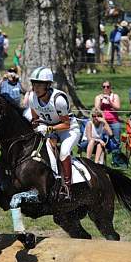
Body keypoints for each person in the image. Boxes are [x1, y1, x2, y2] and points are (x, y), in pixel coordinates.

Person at [28, 66, 81, 201]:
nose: (36, 87)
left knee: (63, 151)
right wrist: (36, 125)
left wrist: (49, 129)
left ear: (48, 85)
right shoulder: (32, 98)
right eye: (34, 83)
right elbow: (35, 119)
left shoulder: (58, 99)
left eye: (39, 84)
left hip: (69, 130)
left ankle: (67, 188)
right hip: (50, 129)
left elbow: (66, 124)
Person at [94, 80, 121, 145]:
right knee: (103, 141)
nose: (106, 88)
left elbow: (118, 108)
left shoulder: (115, 96)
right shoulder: (98, 97)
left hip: (114, 121)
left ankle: (116, 153)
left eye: (108, 87)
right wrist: (101, 101)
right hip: (103, 122)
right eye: (104, 87)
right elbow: (96, 110)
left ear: (110, 87)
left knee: (116, 141)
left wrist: (110, 101)